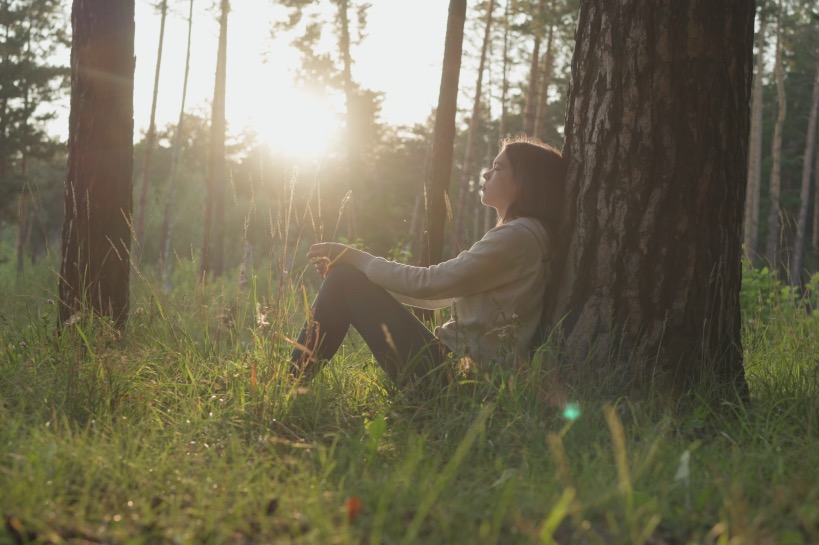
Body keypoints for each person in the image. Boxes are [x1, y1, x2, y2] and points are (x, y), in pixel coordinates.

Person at [290, 135, 566, 385]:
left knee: (343, 281)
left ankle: (289, 385)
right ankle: (292, 384)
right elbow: (437, 295)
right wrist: (364, 275)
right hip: (461, 373)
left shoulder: (517, 237)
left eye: (498, 168)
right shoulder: (527, 235)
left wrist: (352, 258)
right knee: (349, 279)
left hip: (454, 375)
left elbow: (429, 284)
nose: (486, 174)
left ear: (526, 181)